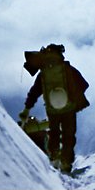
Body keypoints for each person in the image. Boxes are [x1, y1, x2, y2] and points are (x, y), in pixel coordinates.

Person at [19, 43, 90, 174]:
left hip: (52, 110)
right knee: (69, 135)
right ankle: (66, 163)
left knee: (54, 133)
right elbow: (84, 84)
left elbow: (34, 93)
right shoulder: (67, 69)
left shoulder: (43, 73)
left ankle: (54, 157)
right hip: (69, 108)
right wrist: (74, 95)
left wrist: (26, 109)